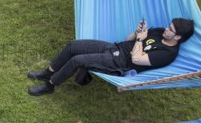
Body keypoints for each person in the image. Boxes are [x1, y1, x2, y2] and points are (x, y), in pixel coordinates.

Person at [27, 17, 195, 96]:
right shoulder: (160, 31)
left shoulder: (168, 55)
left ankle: (50, 85)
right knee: (73, 45)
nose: (166, 29)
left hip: (119, 63)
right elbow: (127, 40)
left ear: (178, 37)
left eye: (170, 29)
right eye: (169, 26)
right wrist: (137, 32)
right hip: (115, 47)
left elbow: (137, 60)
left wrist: (139, 39)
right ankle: (48, 71)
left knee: (77, 60)